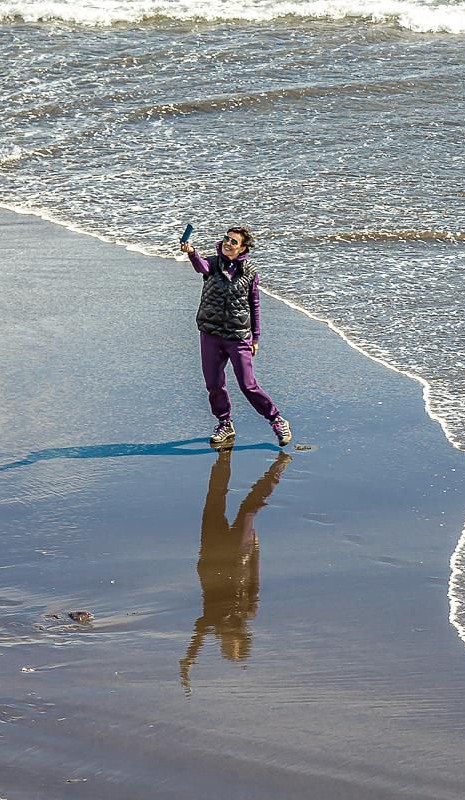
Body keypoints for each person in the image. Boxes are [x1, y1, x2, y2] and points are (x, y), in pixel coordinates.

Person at [180, 448, 292, 692]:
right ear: (242, 639)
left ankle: (223, 459)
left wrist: (187, 664)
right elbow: (255, 579)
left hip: (209, 552)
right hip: (240, 554)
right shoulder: (249, 611)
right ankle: (277, 471)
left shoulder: (210, 622)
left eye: (229, 649)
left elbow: (194, 644)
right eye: (235, 647)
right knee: (249, 510)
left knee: (213, 500)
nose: (231, 644)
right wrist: (256, 548)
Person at [180, 226, 292, 447]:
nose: (227, 243)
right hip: (211, 334)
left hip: (238, 337)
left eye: (233, 242)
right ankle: (224, 423)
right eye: (226, 239)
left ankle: (276, 419)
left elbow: (255, 305)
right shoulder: (212, 264)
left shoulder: (249, 272)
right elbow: (200, 266)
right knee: (213, 384)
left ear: (242, 248)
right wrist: (191, 252)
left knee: (247, 385)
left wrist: (256, 337)